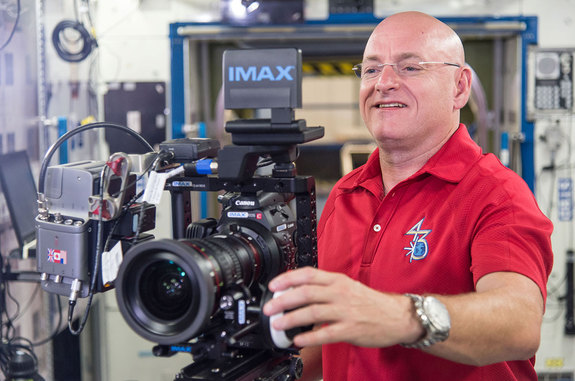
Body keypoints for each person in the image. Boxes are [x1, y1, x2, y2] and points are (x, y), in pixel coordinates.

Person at [263, 11, 554, 381]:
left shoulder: (496, 193)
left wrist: (402, 317)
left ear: (460, 88)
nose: (383, 83)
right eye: (370, 70)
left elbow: (518, 324)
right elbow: (325, 336)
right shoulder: (345, 193)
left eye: (410, 67)